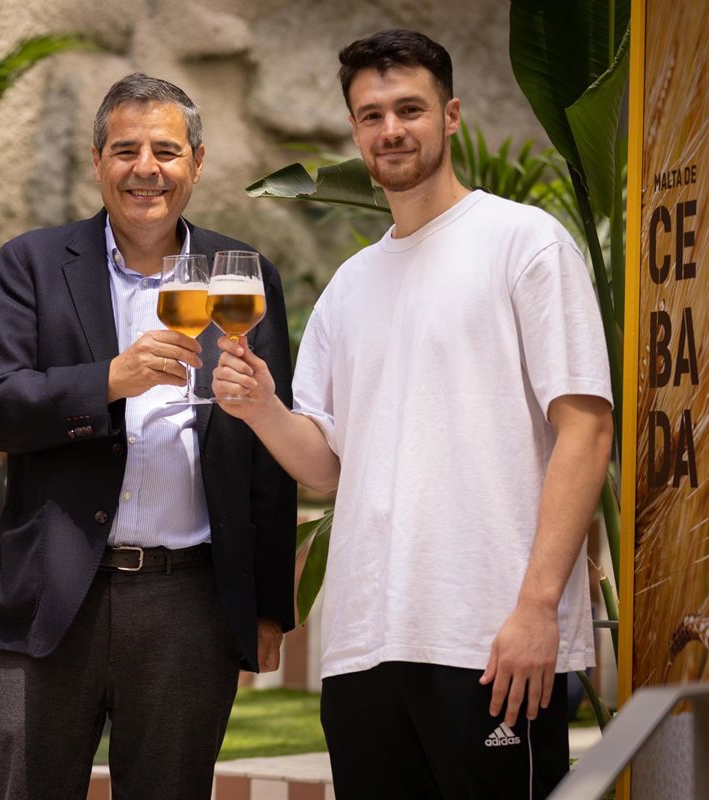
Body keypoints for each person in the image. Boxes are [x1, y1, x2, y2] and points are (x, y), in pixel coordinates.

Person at [212, 29, 614, 799]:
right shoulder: (349, 287)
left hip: (493, 639)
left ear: (451, 115)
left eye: (409, 109)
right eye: (371, 115)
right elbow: (328, 468)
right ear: (354, 130)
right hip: (364, 646)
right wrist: (262, 409)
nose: (390, 129)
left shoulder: (525, 244)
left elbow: (587, 429)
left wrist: (537, 608)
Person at [0, 73, 296, 799]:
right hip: (53, 593)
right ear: (97, 162)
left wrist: (270, 604)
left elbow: (266, 455)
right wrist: (108, 381)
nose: (146, 168)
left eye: (166, 151)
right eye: (125, 150)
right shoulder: (31, 264)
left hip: (189, 602)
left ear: (197, 163)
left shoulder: (240, 276)